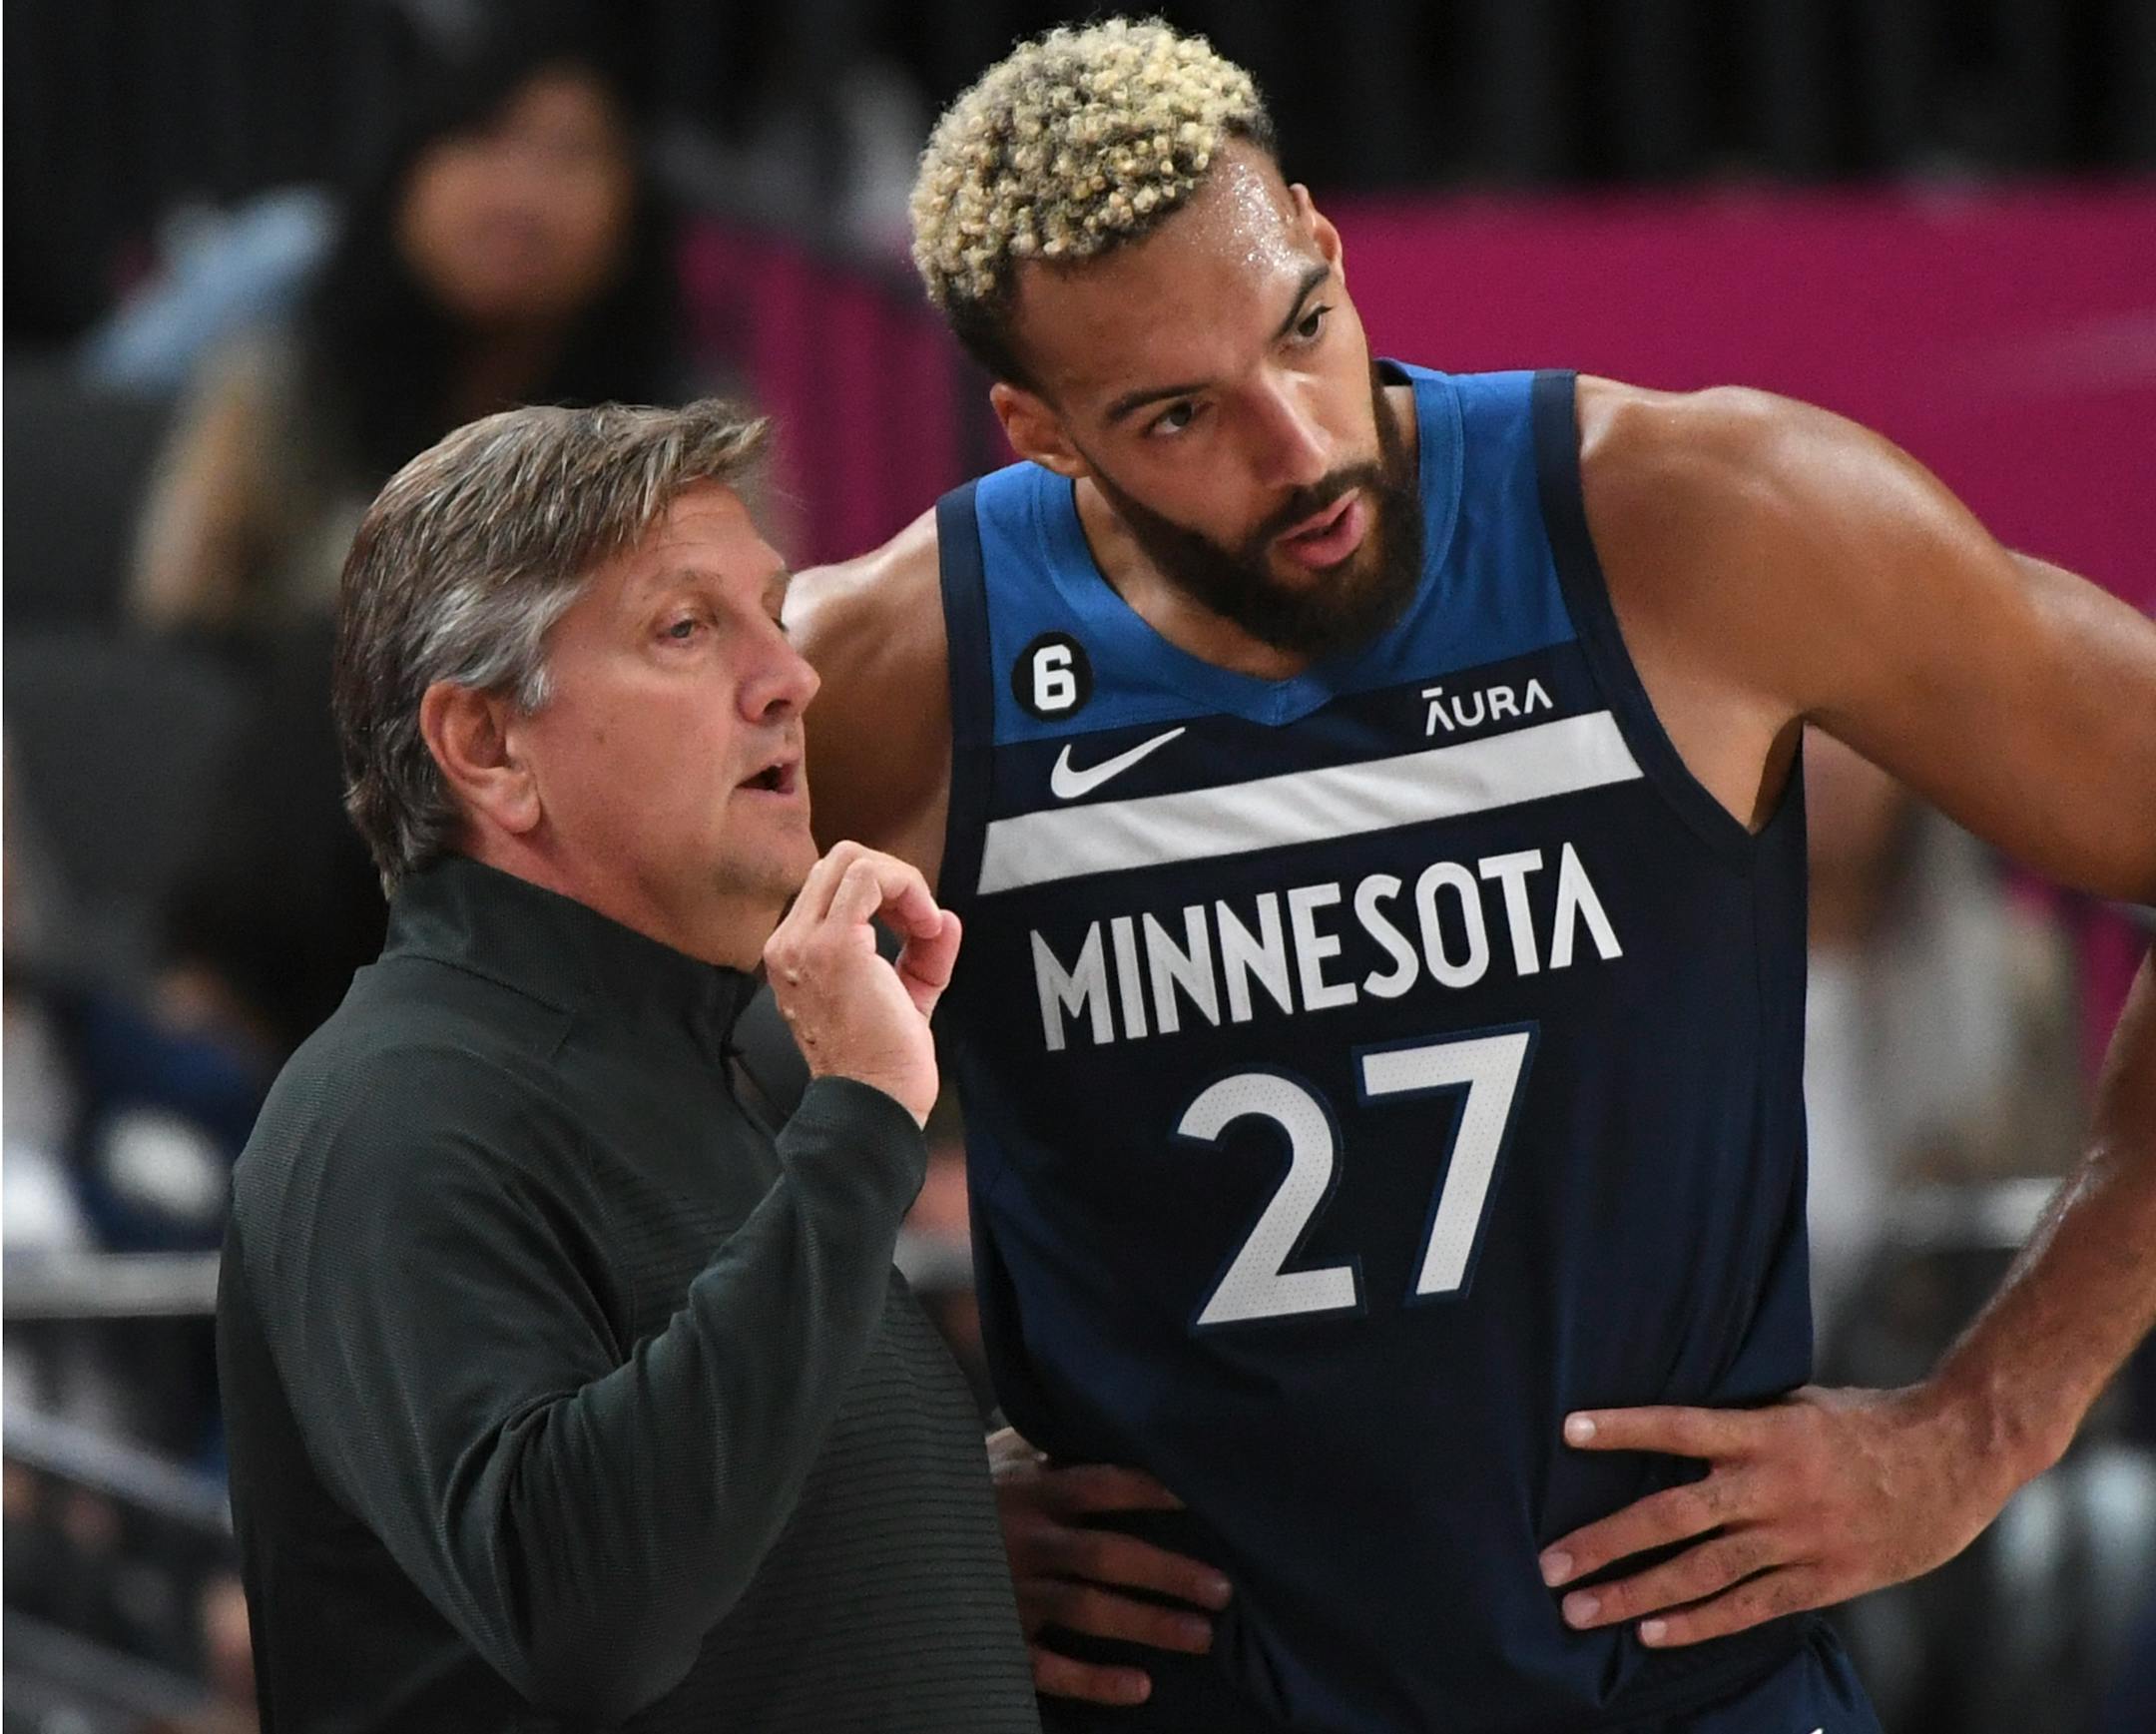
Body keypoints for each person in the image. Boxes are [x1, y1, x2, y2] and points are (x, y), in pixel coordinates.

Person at [789, 19, 2156, 1732]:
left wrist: (1982, 1428)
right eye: (1176, 414)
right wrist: (878, 1495)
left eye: (1302, 326)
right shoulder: (892, 670)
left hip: (1688, 1698)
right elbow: (547, 1092)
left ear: (1324, 236)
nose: (1298, 447)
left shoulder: (1699, 523)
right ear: (1037, 431)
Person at [215, 400, 1040, 1731]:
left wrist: (925, 1536)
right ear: (487, 746)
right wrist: (862, 1127)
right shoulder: (394, 1104)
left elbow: (701, 1545)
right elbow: (584, 1605)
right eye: (688, 627)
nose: (792, 676)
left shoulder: (687, 1082)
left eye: (774, 612)